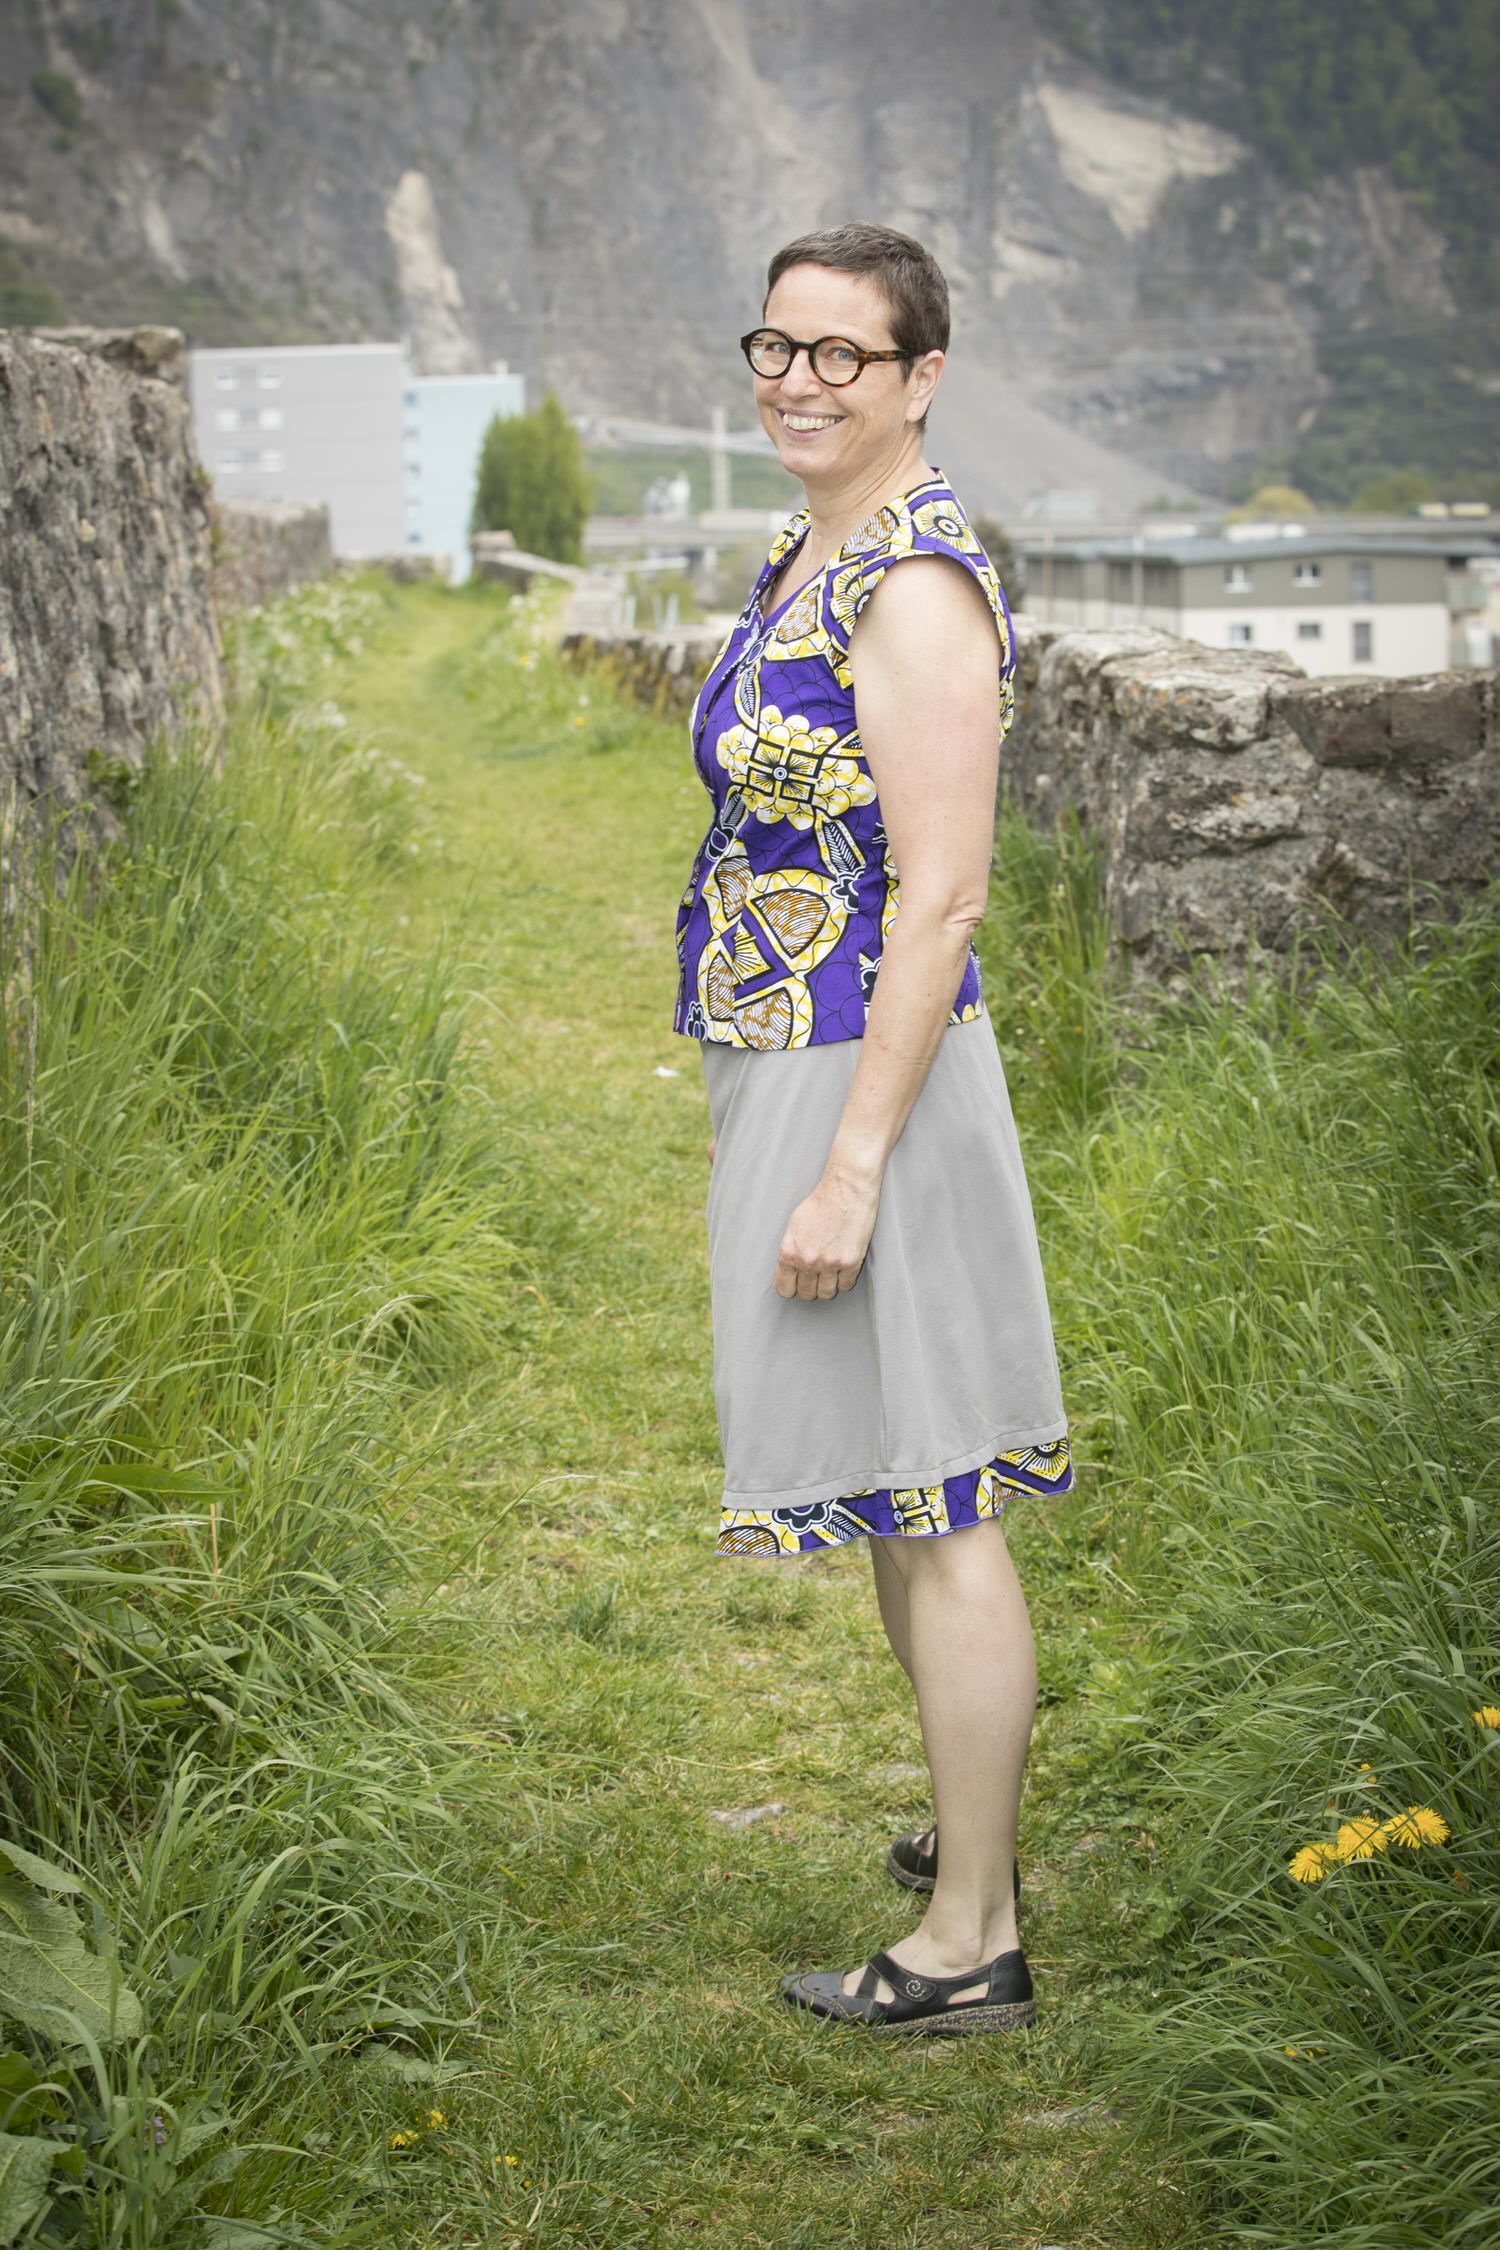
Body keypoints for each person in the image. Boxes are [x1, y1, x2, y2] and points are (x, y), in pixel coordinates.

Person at [673, 223, 1071, 2037]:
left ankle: (973, 1939)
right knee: (904, 1496)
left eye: (844, 353)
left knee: (943, 1496)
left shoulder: (911, 583)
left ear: (922, 378)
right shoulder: (815, 542)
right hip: (801, 1053)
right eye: (779, 345)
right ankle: (966, 1834)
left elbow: (943, 897)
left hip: (874, 1077)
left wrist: (848, 1160)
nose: (800, 380)